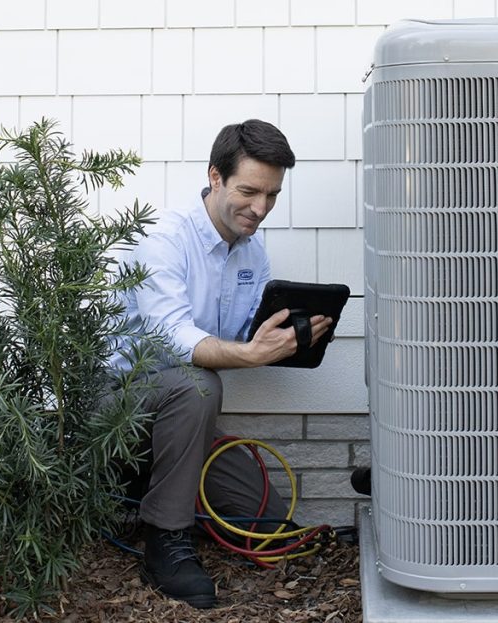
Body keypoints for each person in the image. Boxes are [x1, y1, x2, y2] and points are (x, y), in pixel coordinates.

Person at [107, 119, 333, 609]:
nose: (261, 208)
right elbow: (175, 339)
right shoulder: (164, 238)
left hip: (179, 421)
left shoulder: (252, 254)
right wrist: (249, 355)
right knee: (197, 384)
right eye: (250, 191)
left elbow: (235, 340)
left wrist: (287, 340)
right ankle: (165, 540)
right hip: (113, 410)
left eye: (272, 195)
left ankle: (146, 482)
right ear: (215, 176)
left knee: (268, 524)